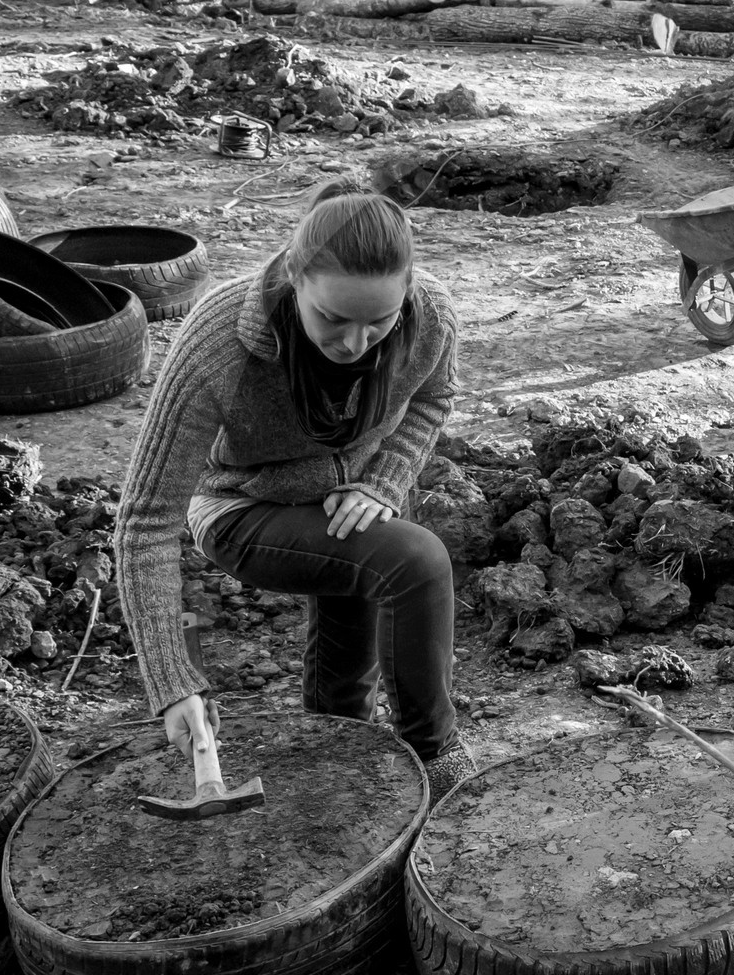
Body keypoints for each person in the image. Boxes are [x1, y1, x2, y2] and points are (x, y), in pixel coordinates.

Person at [114, 181, 474, 801]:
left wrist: (384, 480)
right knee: (415, 561)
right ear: (295, 275)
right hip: (242, 507)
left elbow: (434, 396)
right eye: (332, 319)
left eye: (378, 321)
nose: (355, 344)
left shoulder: (429, 316)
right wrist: (172, 681)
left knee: (349, 660)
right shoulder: (219, 341)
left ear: (407, 290)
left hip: (351, 499)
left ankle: (338, 761)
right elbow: (145, 521)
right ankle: (437, 766)